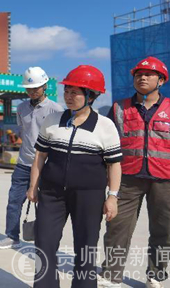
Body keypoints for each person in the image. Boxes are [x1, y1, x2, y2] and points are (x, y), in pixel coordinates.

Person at [98, 57, 170, 288]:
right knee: (117, 227)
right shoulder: (119, 108)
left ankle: (156, 275)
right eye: (138, 74)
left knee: (163, 230)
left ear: (161, 80)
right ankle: (111, 275)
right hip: (127, 178)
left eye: (148, 74)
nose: (142, 77)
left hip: (164, 179)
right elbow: (107, 142)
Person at [27, 65, 122, 288]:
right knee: (44, 243)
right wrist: (33, 186)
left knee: (86, 247)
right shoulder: (52, 120)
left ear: (91, 96)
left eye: (75, 92)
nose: (68, 97)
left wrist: (112, 196)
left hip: (89, 195)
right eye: (66, 91)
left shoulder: (105, 126)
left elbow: (114, 164)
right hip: (51, 193)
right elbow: (40, 156)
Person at [0, 67, 63, 250]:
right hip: (24, 164)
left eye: (36, 88)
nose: (32, 92)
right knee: (14, 201)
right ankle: (12, 237)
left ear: (45, 86)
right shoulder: (21, 108)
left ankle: (45, 241)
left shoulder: (56, 110)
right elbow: (24, 132)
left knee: (46, 205)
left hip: (47, 165)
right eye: (29, 89)